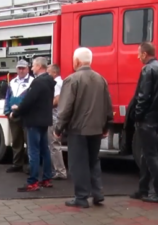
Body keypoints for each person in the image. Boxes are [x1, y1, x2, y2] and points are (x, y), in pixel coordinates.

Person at [54, 47, 113, 208]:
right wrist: (107, 125)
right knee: (93, 161)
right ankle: (97, 193)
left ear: (77, 61)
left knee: (78, 163)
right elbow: (108, 106)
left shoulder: (72, 80)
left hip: (78, 129)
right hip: (96, 128)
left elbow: (65, 108)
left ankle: (81, 197)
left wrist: (58, 128)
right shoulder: (101, 79)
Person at [127, 42, 158, 204]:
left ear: (145, 54)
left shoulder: (147, 70)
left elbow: (143, 97)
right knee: (147, 154)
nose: (138, 56)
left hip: (146, 119)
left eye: (139, 53)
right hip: (157, 118)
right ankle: (143, 189)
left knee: (151, 156)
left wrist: (137, 116)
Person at [11, 57, 55, 192]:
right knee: (45, 150)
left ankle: (33, 182)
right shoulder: (50, 81)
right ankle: (47, 178)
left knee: (34, 152)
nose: (32, 68)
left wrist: (16, 112)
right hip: (45, 120)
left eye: (34, 66)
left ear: (39, 66)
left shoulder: (37, 82)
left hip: (34, 121)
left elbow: (28, 101)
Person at [4, 59, 33, 173]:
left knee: (29, 142)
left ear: (28, 69)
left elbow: (30, 100)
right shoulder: (12, 82)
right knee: (16, 141)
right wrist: (6, 111)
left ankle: (31, 166)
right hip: (13, 115)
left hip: (26, 116)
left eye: (23, 68)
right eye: (19, 68)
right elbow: (7, 97)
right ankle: (17, 164)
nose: (21, 70)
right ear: (16, 69)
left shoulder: (32, 81)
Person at [47, 64, 67, 180]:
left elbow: (56, 100)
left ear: (54, 73)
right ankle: (58, 170)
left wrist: (44, 106)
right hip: (57, 116)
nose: (47, 75)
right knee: (54, 144)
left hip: (54, 116)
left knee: (54, 144)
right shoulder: (61, 82)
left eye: (48, 72)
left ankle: (60, 171)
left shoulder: (57, 84)